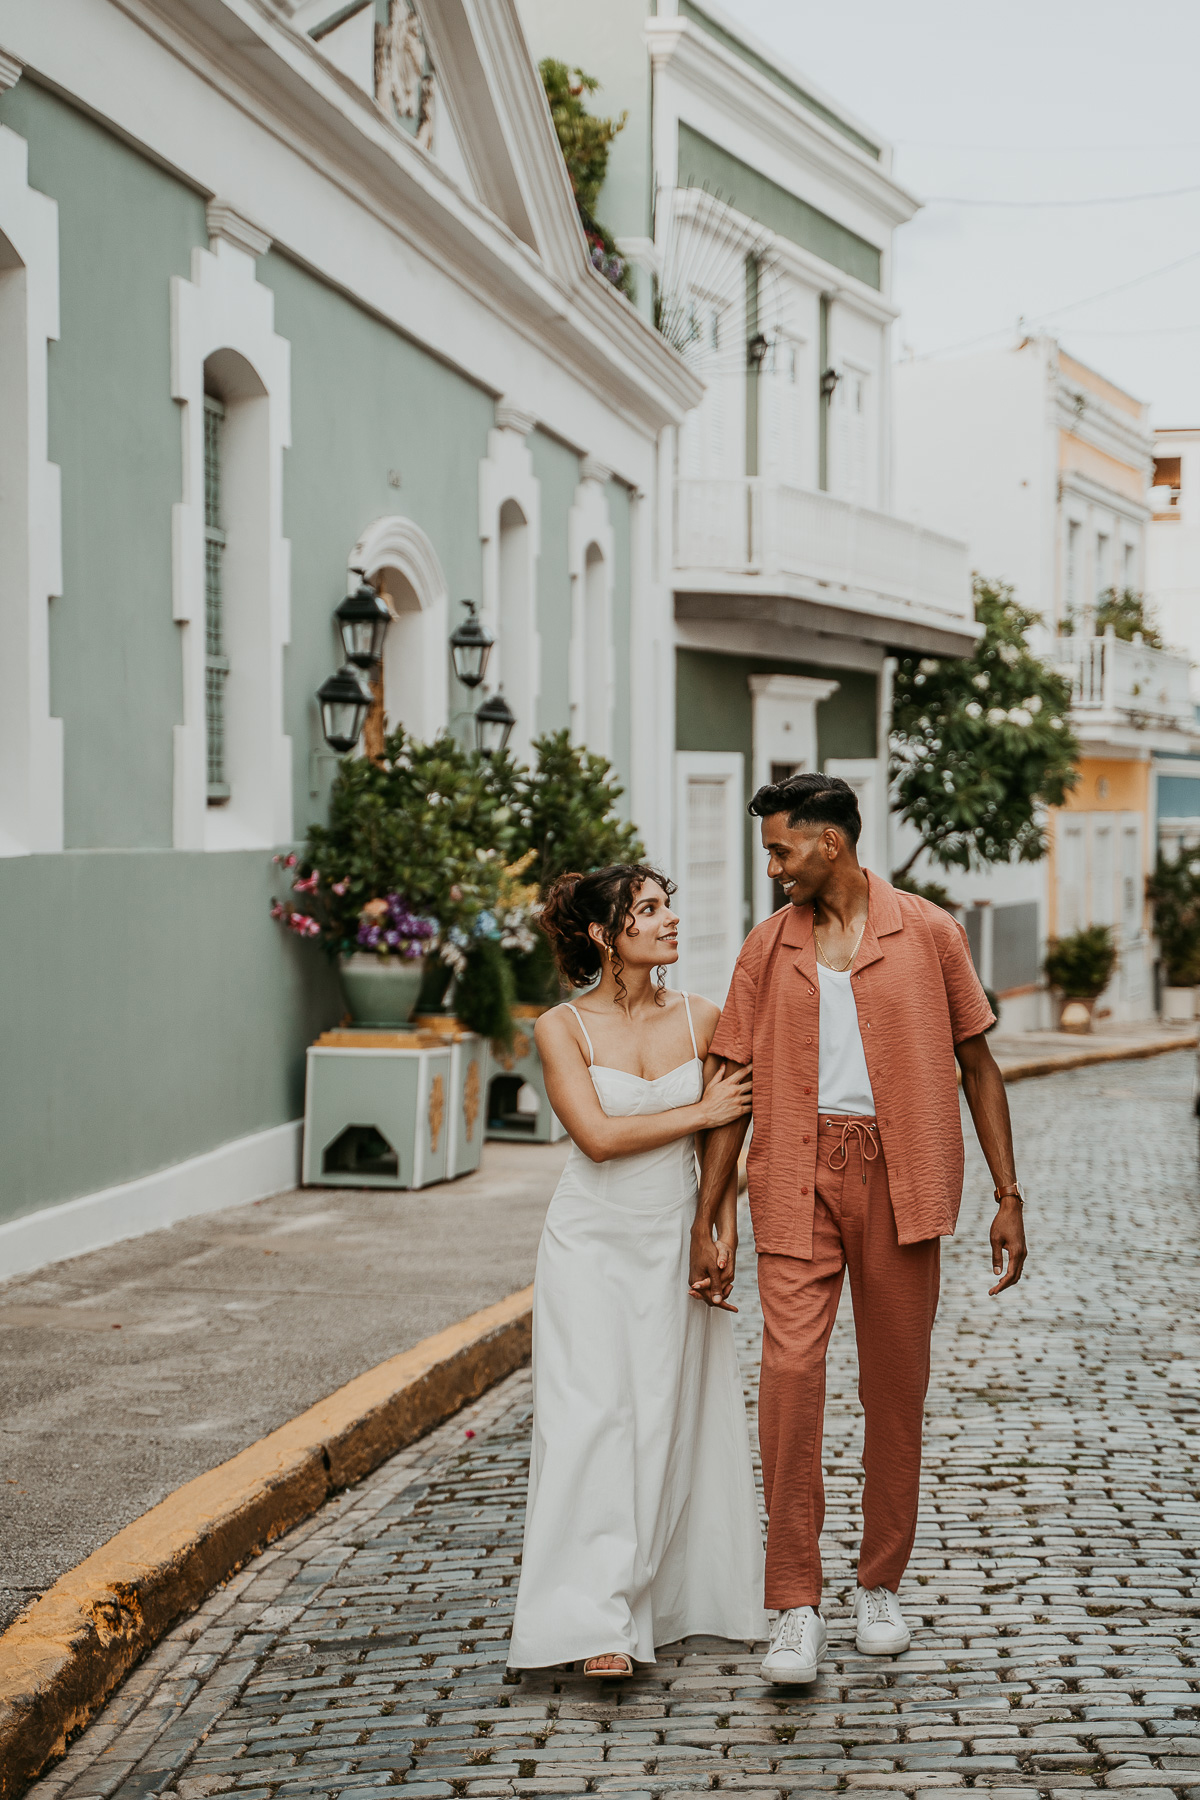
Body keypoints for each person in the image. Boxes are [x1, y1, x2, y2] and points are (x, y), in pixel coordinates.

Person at [688, 774, 1027, 1684]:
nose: (772, 866)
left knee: (895, 1385)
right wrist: (708, 1213)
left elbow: (977, 1064)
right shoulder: (768, 948)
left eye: (780, 848)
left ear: (829, 843)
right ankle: (794, 1603)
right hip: (797, 1173)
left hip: (902, 1174)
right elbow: (732, 1083)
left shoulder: (928, 933)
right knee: (791, 1378)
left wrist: (1008, 1193)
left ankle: (880, 1582)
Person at [508, 863, 768, 1676]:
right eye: (648, 910)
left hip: (672, 1235)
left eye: (667, 907)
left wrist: (716, 1228)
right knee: (588, 1417)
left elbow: (727, 1142)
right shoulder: (563, 1028)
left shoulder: (704, 1017)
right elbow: (597, 1137)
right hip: (588, 1238)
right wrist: (701, 1110)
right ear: (602, 934)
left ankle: (656, 1597)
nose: (668, 921)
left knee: (661, 1416)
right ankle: (594, 1627)